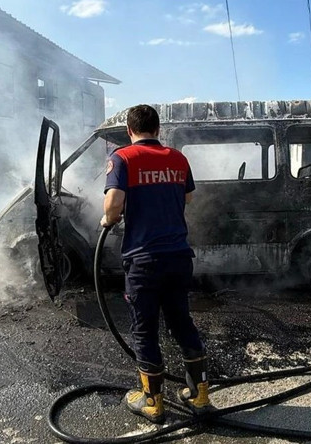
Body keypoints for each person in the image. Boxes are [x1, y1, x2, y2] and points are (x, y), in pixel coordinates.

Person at [102, 104, 213, 424]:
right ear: (158, 129)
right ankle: (200, 395)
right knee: (181, 322)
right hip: (179, 257)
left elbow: (113, 205)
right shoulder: (178, 158)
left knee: (145, 329)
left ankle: (152, 401)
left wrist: (109, 218)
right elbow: (188, 197)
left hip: (144, 261)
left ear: (129, 130)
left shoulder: (122, 157)